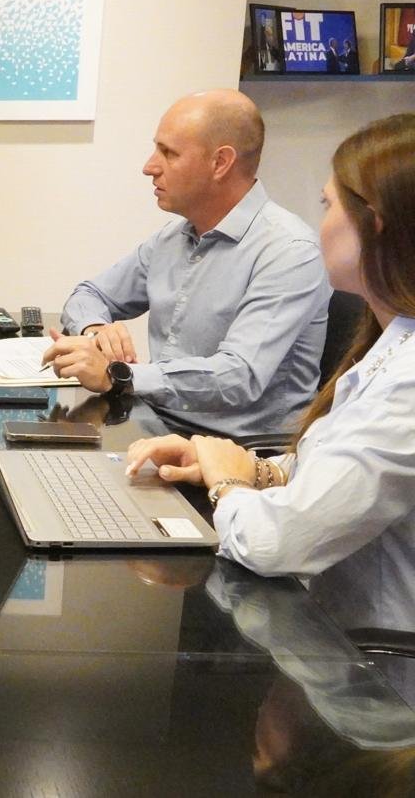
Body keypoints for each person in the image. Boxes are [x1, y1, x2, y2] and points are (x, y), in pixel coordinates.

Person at [124, 113, 415, 577]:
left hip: (339, 621)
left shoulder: (407, 386)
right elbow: (333, 473)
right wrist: (248, 468)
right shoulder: (391, 345)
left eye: (327, 205)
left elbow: (272, 544)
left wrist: (226, 483)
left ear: (373, 223)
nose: (319, 223)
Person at [44, 89, 330, 439]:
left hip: (243, 451)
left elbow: (239, 377)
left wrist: (117, 375)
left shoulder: (289, 252)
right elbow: (89, 295)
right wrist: (95, 330)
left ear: (220, 163)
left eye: (169, 153)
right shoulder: (174, 237)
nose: (149, 167)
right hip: (161, 426)